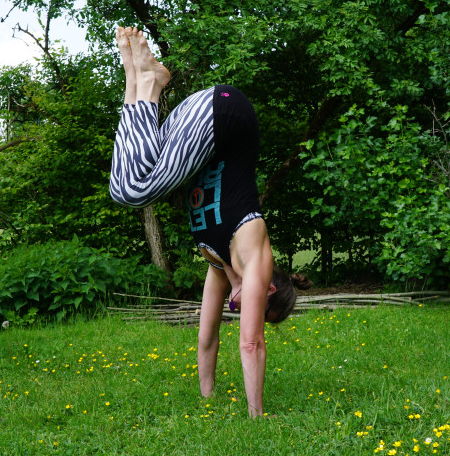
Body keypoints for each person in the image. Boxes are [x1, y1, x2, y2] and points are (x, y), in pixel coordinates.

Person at [109, 27, 310, 418]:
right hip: (226, 115)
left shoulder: (220, 267)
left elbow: (207, 338)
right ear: (267, 287)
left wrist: (207, 399)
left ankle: (138, 79)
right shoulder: (255, 259)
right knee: (136, 189)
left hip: (201, 123)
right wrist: (257, 416)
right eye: (257, 308)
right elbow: (251, 344)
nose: (242, 313)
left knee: (125, 185)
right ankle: (149, 83)